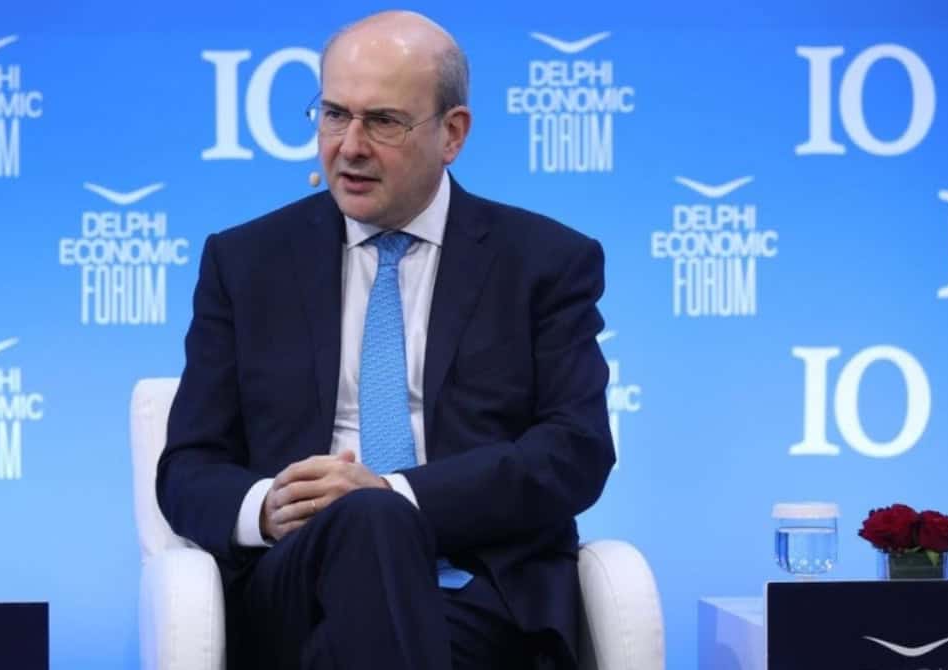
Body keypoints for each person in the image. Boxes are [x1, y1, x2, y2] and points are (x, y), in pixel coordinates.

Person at [156, 10, 614, 670]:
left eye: (383, 121)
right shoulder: (246, 263)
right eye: (334, 114)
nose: (350, 145)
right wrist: (270, 508)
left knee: (374, 528)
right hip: (298, 587)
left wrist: (394, 495)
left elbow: (575, 451)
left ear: (452, 133)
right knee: (365, 527)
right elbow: (188, 468)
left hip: (477, 592)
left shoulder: (544, 263)